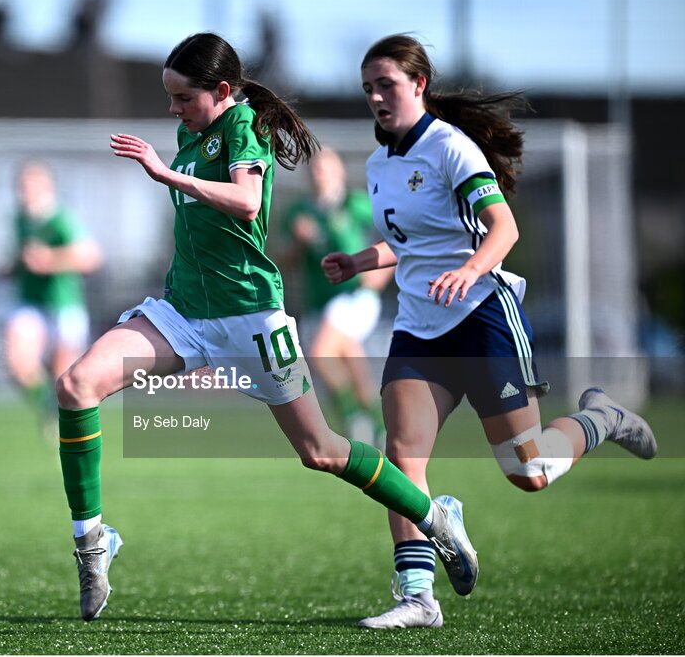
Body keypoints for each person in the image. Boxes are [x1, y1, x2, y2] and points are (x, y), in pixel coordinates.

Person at [54, 32, 479, 623]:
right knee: (76, 386)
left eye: (182, 98)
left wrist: (168, 176)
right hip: (182, 312)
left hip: (250, 316)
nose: (173, 110)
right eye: (170, 98)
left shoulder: (242, 125)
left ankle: (435, 518)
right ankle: (92, 540)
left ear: (221, 91)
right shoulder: (191, 133)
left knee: (321, 451)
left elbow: (248, 201)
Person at [321, 34, 657, 629]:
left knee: (528, 471)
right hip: (420, 329)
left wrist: (471, 270)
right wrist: (358, 262)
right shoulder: (379, 164)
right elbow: (409, 244)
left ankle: (600, 417)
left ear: (418, 85)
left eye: (387, 84)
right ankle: (417, 598)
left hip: (483, 318)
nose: (375, 96)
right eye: (368, 87)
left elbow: (503, 230)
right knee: (402, 460)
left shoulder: (453, 149)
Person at [279, 147, 392, 447]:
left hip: (355, 295)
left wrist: (379, 275)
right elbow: (285, 262)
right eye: (315, 170)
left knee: (319, 353)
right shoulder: (299, 213)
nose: (321, 175)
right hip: (319, 303)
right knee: (348, 367)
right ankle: (378, 429)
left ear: (339, 172)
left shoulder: (354, 204)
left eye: (326, 169)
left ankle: (356, 421)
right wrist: (298, 243)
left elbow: (398, 238)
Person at [4, 160, 102, 438]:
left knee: (64, 378)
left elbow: (91, 257)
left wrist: (50, 260)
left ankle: (66, 425)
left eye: (32, 186)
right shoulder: (20, 219)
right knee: (18, 364)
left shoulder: (61, 219)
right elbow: (24, 256)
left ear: (48, 188)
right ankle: (48, 406)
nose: (25, 192)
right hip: (30, 303)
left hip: (64, 305)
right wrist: (11, 268)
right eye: (22, 186)